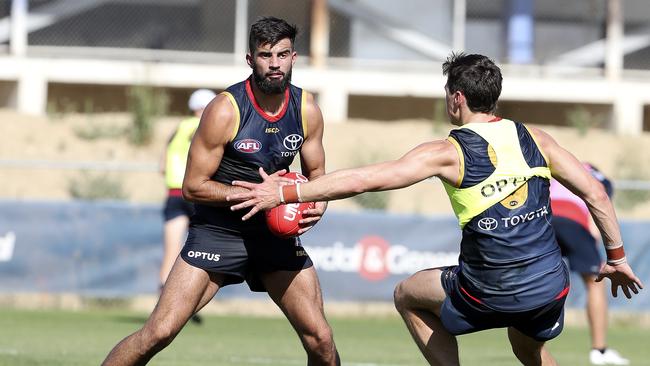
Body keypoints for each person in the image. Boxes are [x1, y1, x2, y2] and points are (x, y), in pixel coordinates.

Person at [227, 53, 643, 366]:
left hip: (489, 289)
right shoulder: (535, 137)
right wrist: (618, 259)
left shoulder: (449, 152)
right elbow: (597, 195)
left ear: (457, 97)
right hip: (549, 287)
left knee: (407, 294)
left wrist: (284, 194)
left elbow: (367, 178)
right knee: (529, 349)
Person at [102, 16, 340, 365]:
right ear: (250, 59)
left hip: (273, 233)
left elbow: (317, 174)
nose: (275, 64)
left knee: (320, 339)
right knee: (159, 331)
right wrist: (250, 195)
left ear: (294, 57)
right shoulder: (225, 110)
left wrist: (318, 203)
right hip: (219, 232)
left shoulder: (307, 110)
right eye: (265, 55)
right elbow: (192, 187)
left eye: (283, 55)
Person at [551, 163, 629, 365]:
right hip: (574, 221)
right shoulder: (598, 178)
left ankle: (528, 342)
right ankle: (599, 351)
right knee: (595, 283)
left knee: (532, 277)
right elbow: (598, 208)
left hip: (541, 220)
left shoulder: (554, 166)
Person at [159, 88, 216, 325]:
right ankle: (189, 305)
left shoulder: (177, 130)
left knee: (171, 252)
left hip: (173, 194)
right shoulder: (203, 128)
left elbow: (162, 165)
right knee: (200, 251)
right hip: (197, 194)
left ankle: (161, 308)